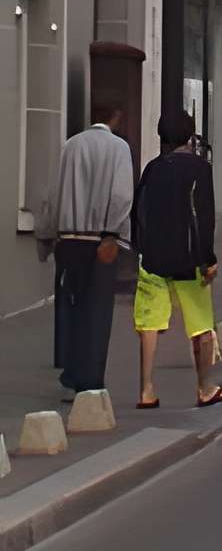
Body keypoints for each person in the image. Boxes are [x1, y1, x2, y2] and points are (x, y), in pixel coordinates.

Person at [132, 111, 222, 410]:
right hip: (189, 258)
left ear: (162, 136)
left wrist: (142, 248)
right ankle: (205, 387)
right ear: (190, 136)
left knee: (149, 322)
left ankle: (146, 390)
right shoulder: (200, 168)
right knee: (200, 323)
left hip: (154, 257)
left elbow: (139, 211)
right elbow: (204, 215)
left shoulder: (152, 169)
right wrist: (208, 258)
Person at [53, 101, 134, 399]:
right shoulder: (119, 148)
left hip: (70, 236)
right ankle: (90, 381)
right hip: (101, 239)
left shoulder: (70, 146)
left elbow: (56, 189)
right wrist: (112, 234)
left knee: (72, 306)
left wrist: (52, 233)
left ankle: (72, 372)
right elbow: (122, 194)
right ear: (115, 116)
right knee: (97, 310)